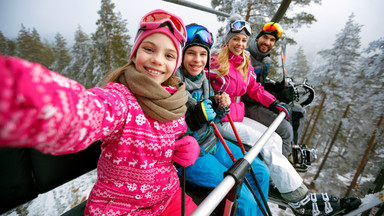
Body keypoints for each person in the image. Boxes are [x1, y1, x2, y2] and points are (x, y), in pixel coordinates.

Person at [0, 9, 201, 216]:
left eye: (169, 55)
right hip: (121, 208)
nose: (158, 60)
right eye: (149, 49)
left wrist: (186, 146)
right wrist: (18, 91)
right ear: (135, 53)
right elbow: (86, 113)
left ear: (175, 64)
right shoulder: (120, 99)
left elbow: (177, 135)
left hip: (168, 198)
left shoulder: (173, 100)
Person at [208, 14, 361, 215]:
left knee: (275, 137)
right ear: (228, 38)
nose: (239, 43)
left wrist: (275, 102)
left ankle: (278, 180)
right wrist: (214, 100)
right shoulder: (215, 61)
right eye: (235, 38)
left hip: (237, 115)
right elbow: (201, 84)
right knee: (267, 142)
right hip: (221, 118)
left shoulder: (244, 61)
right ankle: (299, 198)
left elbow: (255, 88)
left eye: (244, 40)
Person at [175, 23, 270, 216]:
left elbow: (209, 117)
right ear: (180, 55)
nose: (197, 60)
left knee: (260, 172)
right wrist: (192, 121)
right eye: (191, 53)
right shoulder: (173, 83)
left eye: (203, 55)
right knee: (244, 198)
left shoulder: (203, 80)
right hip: (191, 155)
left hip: (212, 141)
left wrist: (219, 108)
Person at [243, 22, 307, 158]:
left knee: (299, 111)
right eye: (265, 37)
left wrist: (276, 87)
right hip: (247, 105)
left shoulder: (265, 60)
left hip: (260, 99)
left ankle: (293, 150)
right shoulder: (246, 57)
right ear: (258, 37)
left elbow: (259, 83)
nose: (267, 42)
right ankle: (280, 165)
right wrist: (276, 95)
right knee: (285, 129)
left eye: (272, 40)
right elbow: (244, 92)